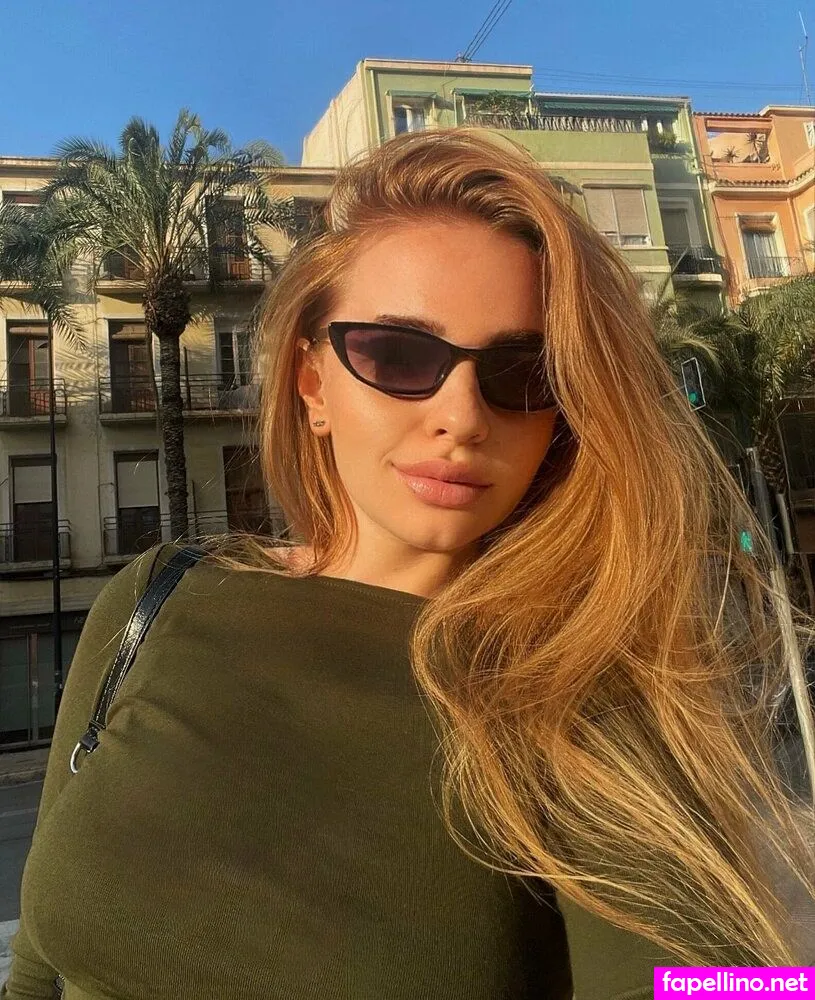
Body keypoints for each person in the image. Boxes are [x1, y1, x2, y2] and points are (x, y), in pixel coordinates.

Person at [3, 128, 814, 1000]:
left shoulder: (578, 678)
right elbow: (38, 967)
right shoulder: (158, 597)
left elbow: (709, 979)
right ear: (312, 385)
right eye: (397, 354)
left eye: (523, 371)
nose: (462, 416)